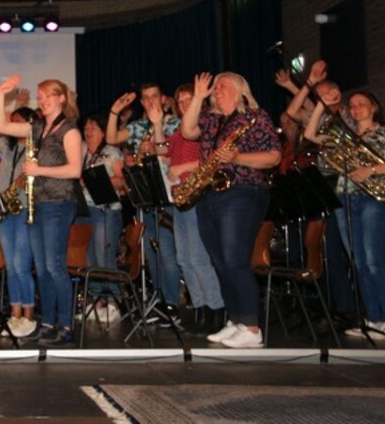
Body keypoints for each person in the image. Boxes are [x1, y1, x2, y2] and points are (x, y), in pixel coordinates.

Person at [181, 72, 281, 349]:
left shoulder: (255, 118)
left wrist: (238, 157)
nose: (216, 90)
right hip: (210, 194)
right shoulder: (211, 120)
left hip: (242, 191)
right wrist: (198, 97)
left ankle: (251, 327)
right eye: (215, 87)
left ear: (240, 91)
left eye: (222, 86)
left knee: (235, 260)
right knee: (220, 262)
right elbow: (187, 131)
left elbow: (274, 157)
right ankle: (236, 320)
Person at [0, 75, 82, 346]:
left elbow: (75, 170)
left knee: (55, 266)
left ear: (61, 98)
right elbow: (2, 126)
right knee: (42, 269)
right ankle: (47, 323)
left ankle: (65, 325)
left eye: (48, 96)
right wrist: (1, 94)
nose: (42, 101)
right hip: (37, 205)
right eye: (40, 96)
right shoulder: (38, 127)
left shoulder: (69, 130)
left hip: (59, 203)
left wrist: (39, 170)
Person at [305, 89, 385, 336]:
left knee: (373, 261)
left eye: (361, 103)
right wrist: (321, 105)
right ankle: (373, 319)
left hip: (373, 199)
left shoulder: (383, 133)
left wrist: (370, 170)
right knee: (358, 262)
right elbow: (310, 135)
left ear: (373, 107)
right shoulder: (345, 136)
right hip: (345, 198)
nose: (356, 108)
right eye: (352, 105)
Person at [107, 82, 183, 326]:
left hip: (168, 194)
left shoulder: (174, 123)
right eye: (146, 98)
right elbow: (111, 138)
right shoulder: (138, 126)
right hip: (145, 195)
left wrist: (157, 139)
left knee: (167, 251)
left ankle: (172, 304)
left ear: (163, 99)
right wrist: (115, 111)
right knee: (151, 252)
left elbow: (172, 155)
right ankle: (159, 301)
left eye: (154, 96)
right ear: (141, 102)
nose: (150, 101)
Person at [164, 84, 224, 335]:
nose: (184, 104)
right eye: (180, 101)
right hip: (181, 197)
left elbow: (214, 158)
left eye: (189, 99)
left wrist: (182, 168)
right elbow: (165, 152)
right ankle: (200, 308)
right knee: (184, 259)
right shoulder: (180, 130)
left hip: (198, 195)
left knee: (198, 258)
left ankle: (216, 309)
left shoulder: (204, 125)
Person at [0, 95, 38, 338]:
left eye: (17, 121)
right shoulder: (7, 144)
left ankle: (29, 316)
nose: (12, 126)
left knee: (21, 265)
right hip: (5, 209)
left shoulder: (36, 146)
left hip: (24, 208)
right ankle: (15, 314)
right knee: (11, 266)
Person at [77, 113, 125, 324]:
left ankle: (114, 302)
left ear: (103, 132)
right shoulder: (83, 152)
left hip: (106, 209)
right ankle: (97, 301)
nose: (88, 132)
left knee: (104, 256)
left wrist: (95, 180)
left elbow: (122, 180)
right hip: (84, 210)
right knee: (90, 258)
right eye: (86, 128)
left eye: (93, 128)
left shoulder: (111, 152)